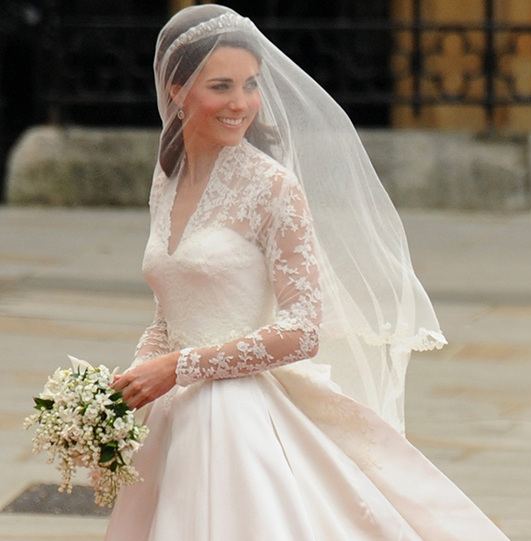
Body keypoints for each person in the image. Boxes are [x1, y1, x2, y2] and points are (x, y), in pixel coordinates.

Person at [104, 5, 509, 540]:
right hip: (174, 415)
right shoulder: (169, 176)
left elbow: (302, 331)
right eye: (221, 86)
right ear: (176, 90)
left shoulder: (272, 188)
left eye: (250, 85)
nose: (241, 103)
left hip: (239, 416)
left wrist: (177, 367)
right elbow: (171, 305)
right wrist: (126, 384)